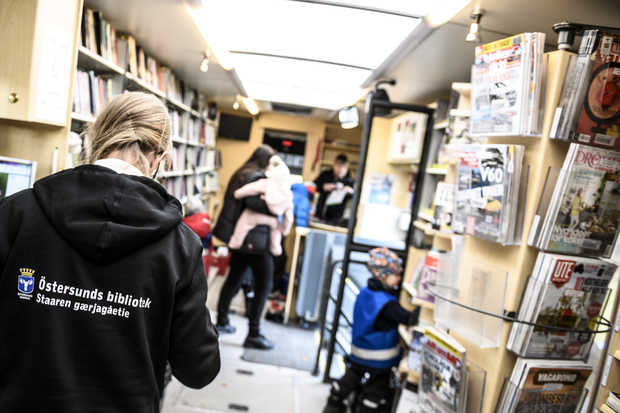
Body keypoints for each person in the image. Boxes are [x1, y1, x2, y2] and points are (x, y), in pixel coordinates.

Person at [0, 92, 220, 412]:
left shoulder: (16, 213)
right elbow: (199, 369)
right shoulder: (181, 246)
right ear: (160, 157)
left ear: (96, 138)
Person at [323, 247, 420, 413]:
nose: (398, 279)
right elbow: (409, 319)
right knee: (376, 389)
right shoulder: (387, 303)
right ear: (384, 276)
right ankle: (368, 407)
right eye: (396, 275)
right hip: (380, 359)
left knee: (349, 380)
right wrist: (421, 303)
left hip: (358, 352)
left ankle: (334, 402)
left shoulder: (364, 291)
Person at [212, 144, 277, 349]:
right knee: (264, 285)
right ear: (265, 161)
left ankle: (222, 321)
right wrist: (276, 205)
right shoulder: (256, 177)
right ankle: (254, 334)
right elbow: (252, 202)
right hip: (254, 241)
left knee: (234, 278)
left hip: (240, 239)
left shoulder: (242, 172)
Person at [314, 153, 355, 225]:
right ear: (333, 165)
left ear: (347, 168)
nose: (340, 169)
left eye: (343, 167)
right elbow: (313, 186)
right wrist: (323, 186)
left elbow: (359, 197)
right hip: (320, 216)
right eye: (338, 166)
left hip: (337, 220)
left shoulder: (350, 181)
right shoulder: (325, 175)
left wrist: (351, 191)